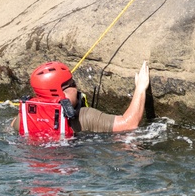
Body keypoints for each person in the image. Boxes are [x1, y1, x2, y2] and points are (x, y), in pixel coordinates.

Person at [12, 60, 149, 141]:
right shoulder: (83, 117)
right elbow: (128, 124)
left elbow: (10, 126)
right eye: (72, 84)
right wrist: (141, 88)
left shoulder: (23, 119)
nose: (76, 87)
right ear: (61, 92)